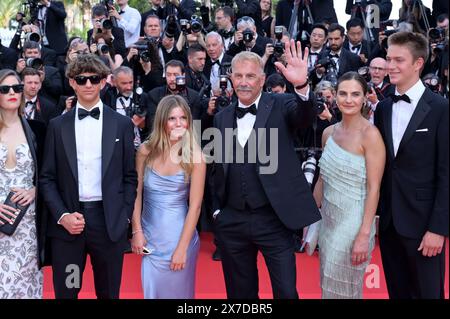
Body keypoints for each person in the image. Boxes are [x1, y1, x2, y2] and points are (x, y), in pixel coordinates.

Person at [210, 42, 321, 299]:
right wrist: (218, 210)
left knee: (285, 292)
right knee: (240, 294)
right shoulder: (222, 117)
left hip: (274, 219)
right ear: (231, 78)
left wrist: (302, 86)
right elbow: (219, 167)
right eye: (238, 75)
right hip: (232, 220)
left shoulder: (281, 104)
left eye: (250, 76)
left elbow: (305, 118)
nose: (244, 82)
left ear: (261, 79)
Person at [39, 54, 137, 299]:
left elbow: (129, 176)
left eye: (94, 79)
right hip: (69, 224)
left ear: (104, 82)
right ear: (72, 82)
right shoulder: (57, 126)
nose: (88, 85)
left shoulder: (122, 124)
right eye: (81, 80)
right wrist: (62, 215)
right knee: (69, 290)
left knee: (108, 292)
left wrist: (122, 215)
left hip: (108, 223)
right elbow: (47, 177)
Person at [374, 32, 448, 299]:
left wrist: (438, 229)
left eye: (398, 60)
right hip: (391, 224)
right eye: (388, 58)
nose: (389, 65)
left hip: (424, 225)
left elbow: (446, 173)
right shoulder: (382, 108)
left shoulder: (441, 108)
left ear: (418, 63)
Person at [313, 72, 386, 299]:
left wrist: (365, 235)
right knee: (328, 282)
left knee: (344, 286)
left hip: (355, 222)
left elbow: (375, 188)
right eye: (343, 93)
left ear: (365, 97)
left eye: (355, 94)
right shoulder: (328, 133)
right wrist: (309, 217)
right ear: (334, 96)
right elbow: (323, 178)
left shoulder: (370, 135)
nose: (348, 99)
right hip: (329, 220)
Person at [130, 95, 205, 299]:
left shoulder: (196, 157)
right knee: (152, 293)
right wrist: (136, 230)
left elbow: (195, 207)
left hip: (180, 238)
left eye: (183, 118)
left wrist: (182, 249)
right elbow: (136, 194)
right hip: (150, 240)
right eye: (172, 118)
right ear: (162, 120)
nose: (178, 124)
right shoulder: (145, 151)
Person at [0, 69, 43, 298]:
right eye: (4, 89)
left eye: (17, 88)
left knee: (25, 286)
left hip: (27, 223)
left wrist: (34, 191)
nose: (12, 93)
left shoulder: (36, 130)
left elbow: (47, 174)